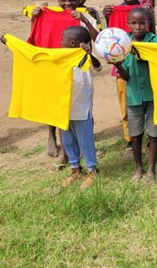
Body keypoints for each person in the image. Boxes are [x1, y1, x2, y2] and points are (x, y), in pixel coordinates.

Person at [29, 0, 99, 164]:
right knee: (58, 109)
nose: (68, 3)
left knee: (82, 112)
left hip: (79, 73)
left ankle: (85, 152)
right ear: (58, 0)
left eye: (72, 0)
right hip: (56, 69)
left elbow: (99, 40)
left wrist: (85, 19)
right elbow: (36, 36)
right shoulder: (47, 16)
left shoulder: (84, 16)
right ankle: (63, 150)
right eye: (64, 0)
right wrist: (34, 18)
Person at [113, 8, 157, 184]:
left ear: (148, 24)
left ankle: (151, 170)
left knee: (154, 134)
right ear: (128, 24)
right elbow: (126, 77)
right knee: (135, 135)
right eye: (134, 23)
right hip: (134, 96)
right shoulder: (123, 44)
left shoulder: (156, 42)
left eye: (142, 23)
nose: (138, 27)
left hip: (153, 96)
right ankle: (138, 168)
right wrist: (117, 65)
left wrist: (142, 54)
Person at [103, 0, 142, 152]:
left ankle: (149, 135)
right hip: (121, 69)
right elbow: (108, 38)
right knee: (125, 104)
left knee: (146, 103)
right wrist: (107, 18)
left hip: (142, 66)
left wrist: (150, 15)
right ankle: (129, 138)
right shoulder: (114, 11)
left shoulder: (144, 10)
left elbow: (152, 35)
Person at [60, 26, 102, 190]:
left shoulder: (85, 57)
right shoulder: (61, 57)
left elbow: (98, 67)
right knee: (68, 139)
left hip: (81, 108)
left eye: (62, 39)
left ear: (72, 43)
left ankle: (92, 169)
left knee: (85, 140)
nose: (60, 42)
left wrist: (89, 53)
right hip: (65, 107)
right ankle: (75, 168)